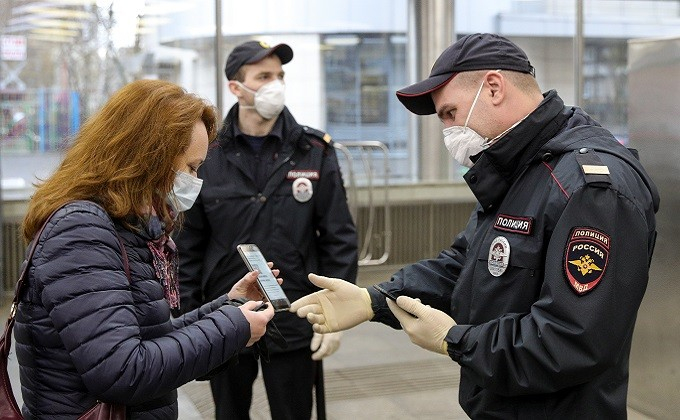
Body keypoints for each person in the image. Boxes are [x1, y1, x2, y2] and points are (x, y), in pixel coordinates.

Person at [291, 33, 660, 419]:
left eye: (449, 114)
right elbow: (465, 264)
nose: (448, 131)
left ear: (495, 87)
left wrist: (456, 341)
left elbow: (573, 340)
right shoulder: (520, 168)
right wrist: (376, 300)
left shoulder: (588, 185)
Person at [15, 79, 277, 419]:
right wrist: (233, 326)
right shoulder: (82, 231)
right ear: (148, 156)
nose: (196, 180)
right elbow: (123, 370)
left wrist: (229, 307)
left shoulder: (124, 225)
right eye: (191, 167)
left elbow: (151, 337)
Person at [173, 40, 358, 419]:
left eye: (279, 75)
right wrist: (187, 319)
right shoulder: (208, 153)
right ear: (236, 88)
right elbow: (188, 245)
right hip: (224, 314)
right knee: (229, 414)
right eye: (264, 76)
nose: (276, 84)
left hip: (295, 314)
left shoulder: (313, 149)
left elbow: (338, 236)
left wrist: (338, 311)